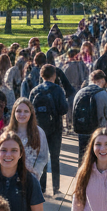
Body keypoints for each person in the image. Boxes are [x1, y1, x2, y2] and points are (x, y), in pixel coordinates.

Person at [29, 65, 69, 195]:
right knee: (55, 157)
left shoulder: (35, 91)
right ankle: (56, 188)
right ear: (54, 75)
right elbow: (64, 109)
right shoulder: (58, 90)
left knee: (41, 158)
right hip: (55, 128)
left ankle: (42, 187)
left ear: (41, 75)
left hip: (40, 128)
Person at [72, 70, 107, 161]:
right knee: (96, 159)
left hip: (82, 130)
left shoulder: (79, 93)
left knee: (83, 158)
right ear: (102, 80)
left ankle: (82, 174)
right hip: (98, 131)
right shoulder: (104, 94)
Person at [10, 97, 49, 182]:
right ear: (14, 112)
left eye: (26, 111)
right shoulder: (8, 132)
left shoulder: (39, 132)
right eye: (19, 111)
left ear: (31, 113)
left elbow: (43, 157)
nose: (22, 114)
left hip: (29, 178)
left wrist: (36, 172)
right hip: (10, 176)